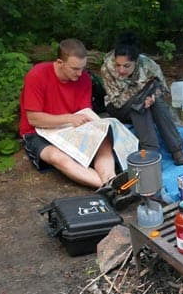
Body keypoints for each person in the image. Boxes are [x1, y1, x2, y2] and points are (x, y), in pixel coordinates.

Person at [19, 39, 117, 189]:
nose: (80, 73)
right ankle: (109, 187)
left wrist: (96, 124)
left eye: (82, 68)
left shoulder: (84, 78)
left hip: (71, 128)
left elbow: (84, 111)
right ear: (60, 63)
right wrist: (69, 118)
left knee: (104, 139)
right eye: (75, 69)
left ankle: (111, 179)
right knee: (57, 157)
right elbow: (33, 119)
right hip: (38, 132)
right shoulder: (37, 75)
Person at [101, 32, 183, 165]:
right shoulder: (107, 68)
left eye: (126, 66)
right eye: (118, 65)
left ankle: (177, 149)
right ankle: (151, 151)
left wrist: (152, 96)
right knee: (140, 104)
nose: (121, 70)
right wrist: (143, 93)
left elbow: (163, 89)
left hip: (145, 103)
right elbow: (117, 100)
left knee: (156, 103)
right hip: (118, 107)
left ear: (136, 62)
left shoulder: (149, 65)